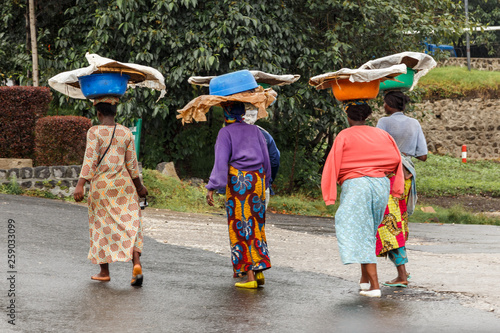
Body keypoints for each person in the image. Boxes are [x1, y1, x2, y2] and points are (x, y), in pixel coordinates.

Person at [321, 101, 404, 298]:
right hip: (380, 185)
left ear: (348, 116)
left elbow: (332, 163)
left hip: (357, 185)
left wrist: (329, 193)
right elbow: (395, 160)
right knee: (369, 230)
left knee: (358, 230)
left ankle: (375, 286)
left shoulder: (344, 135)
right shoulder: (382, 134)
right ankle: (365, 280)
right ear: (366, 116)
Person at [74, 96, 148, 286]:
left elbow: (89, 160)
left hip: (102, 187)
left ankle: (104, 271)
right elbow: (132, 164)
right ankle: (136, 264)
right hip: (124, 186)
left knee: (101, 226)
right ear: (116, 112)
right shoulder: (125, 133)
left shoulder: (94, 132)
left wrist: (81, 184)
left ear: (98, 113)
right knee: (129, 224)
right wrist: (140, 187)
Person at [206, 101, 272, 289]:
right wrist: (265, 183)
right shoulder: (256, 131)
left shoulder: (225, 133)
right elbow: (266, 160)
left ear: (226, 112)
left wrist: (212, 186)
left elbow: (221, 162)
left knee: (241, 225)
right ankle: (259, 271)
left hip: (239, 183)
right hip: (258, 180)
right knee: (256, 225)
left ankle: (249, 275)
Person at [375, 91, 428, 288]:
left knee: (389, 224)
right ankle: (402, 270)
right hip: (407, 177)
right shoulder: (414, 123)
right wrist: (405, 151)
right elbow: (423, 155)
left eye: (384, 103)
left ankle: (402, 274)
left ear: (390, 104)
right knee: (399, 221)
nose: (383, 106)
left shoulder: (384, 122)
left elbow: (376, 148)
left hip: (389, 177)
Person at [243, 107, 280, 208]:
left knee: (237, 219)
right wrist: (268, 181)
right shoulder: (265, 135)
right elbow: (275, 160)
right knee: (257, 220)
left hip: (237, 183)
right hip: (260, 182)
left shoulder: (228, 133)